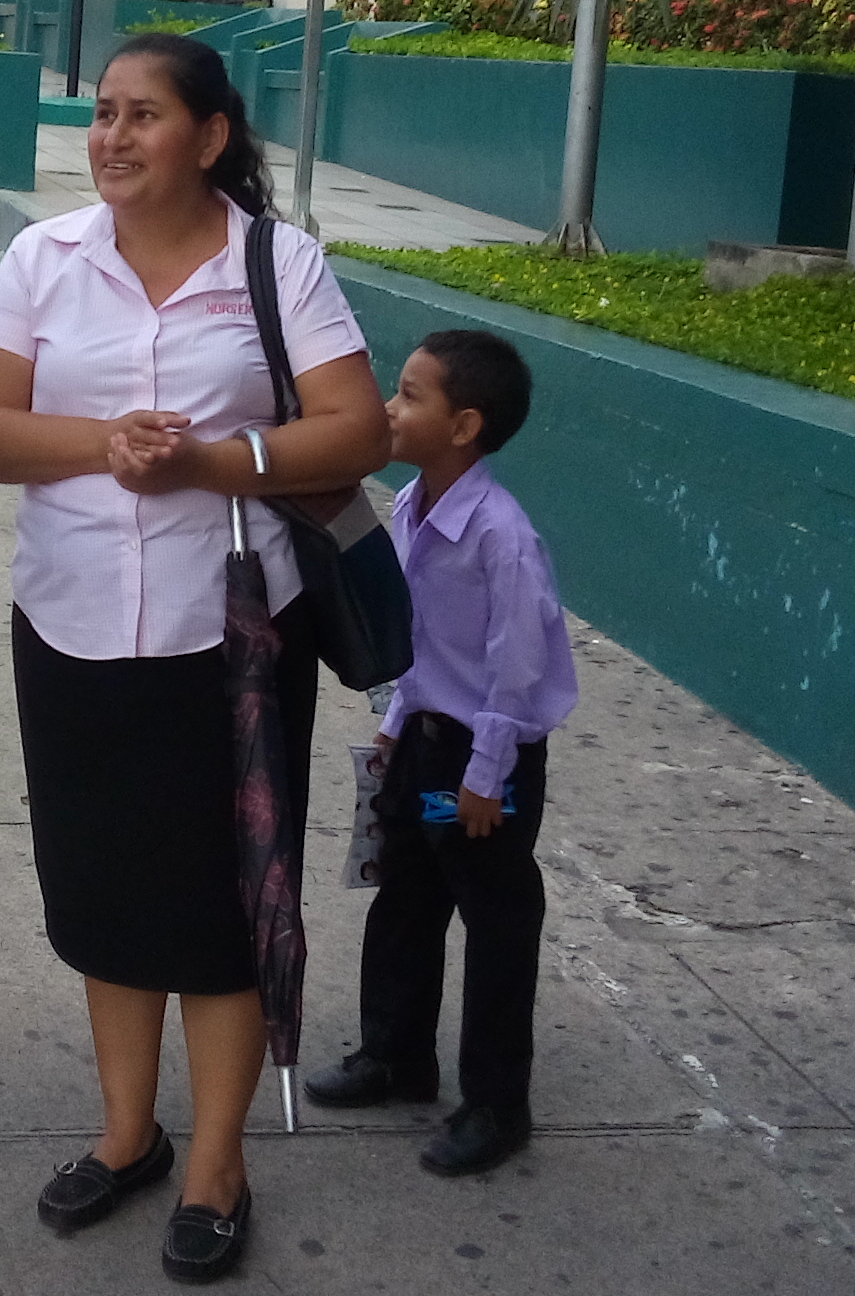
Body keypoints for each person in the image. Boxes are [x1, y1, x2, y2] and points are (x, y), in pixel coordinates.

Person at [0, 32, 391, 1285]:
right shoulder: (47, 257)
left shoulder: (276, 263)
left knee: (226, 899)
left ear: (210, 135)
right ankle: (129, 1133)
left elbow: (357, 430)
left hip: (231, 638)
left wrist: (211, 462)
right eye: (104, 114)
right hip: (71, 623)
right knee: (105, 887)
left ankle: (217, 1165)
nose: (114, 136)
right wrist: (104, 443)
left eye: (144, 115)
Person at [302, 330, 573, 1177]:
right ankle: (396, 1054)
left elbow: (517, 666)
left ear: (464, 426)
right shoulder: (415, 504)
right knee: (407, 897)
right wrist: (394, 725)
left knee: (496, 920)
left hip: (481, 764)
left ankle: (497, 1102)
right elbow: (422, 641)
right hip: (425, 747)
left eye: (409, 396)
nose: (388, 408)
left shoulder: (501, 535)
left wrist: (487, 777)